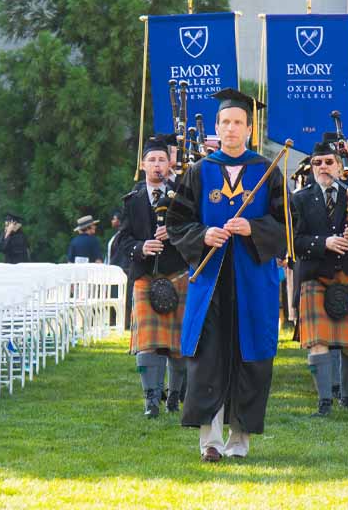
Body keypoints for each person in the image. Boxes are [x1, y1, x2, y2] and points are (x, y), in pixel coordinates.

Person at [166, 88, 286, 463]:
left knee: (248, 356)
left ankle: (239, 441)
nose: (231, 129)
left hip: (253, 281)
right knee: (209, 357)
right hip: (211, 280)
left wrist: (255, 230)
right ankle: (211, 443)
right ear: (216, 127)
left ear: (250, 129)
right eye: (225, 122)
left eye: (238, 122)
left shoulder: (268, 171)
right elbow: (176, 223)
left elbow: (286, 226)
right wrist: (203, 234)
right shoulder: (200, 172)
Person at [291, 138, 348, 418]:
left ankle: (346, 397)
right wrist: (324, 243)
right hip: (316, 276)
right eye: (316, 162)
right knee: (317, 341)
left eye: (328, 162)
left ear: (340, 166)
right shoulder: (300, 199)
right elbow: (293, 241)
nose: (322, 167)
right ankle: (324, 402)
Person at [120, 136, 189, 418]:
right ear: (143, 164)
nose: (157, 165)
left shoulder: (183, 197)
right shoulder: (132, 201)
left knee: (178, 342)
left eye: (162, 159)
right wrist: (141, 247)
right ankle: (151, 399)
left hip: (177, 272)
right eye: (152, 160)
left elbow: (196, 232)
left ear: (169, 163)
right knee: (148, 341)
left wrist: (174, 234)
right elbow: (123, 240)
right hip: (146, 275)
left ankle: (175, 396)